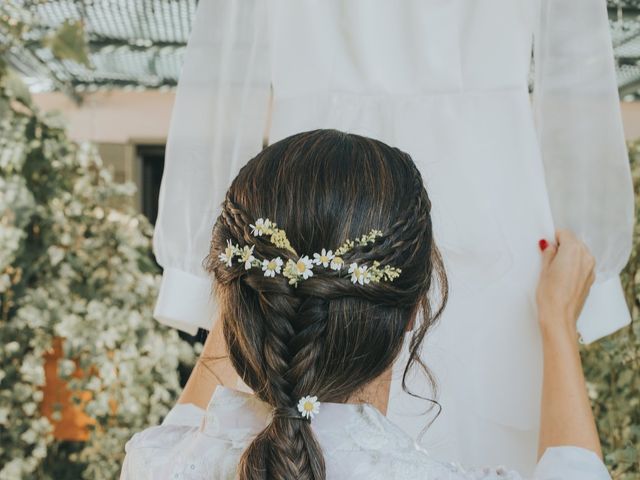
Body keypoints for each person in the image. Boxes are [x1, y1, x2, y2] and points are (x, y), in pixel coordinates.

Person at [151, 1, 634, 472]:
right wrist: (565, 313)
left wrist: (245, 278)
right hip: (490, 189)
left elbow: (222, 69)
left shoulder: (159, 460)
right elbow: (577, 69)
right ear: (418, 306)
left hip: (303, 189)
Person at [121, 129, 611, 479]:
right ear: (417, 307)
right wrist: (558, 323)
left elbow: (189, 419)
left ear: (233, 296)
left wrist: (253, 284)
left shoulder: (154, 463)